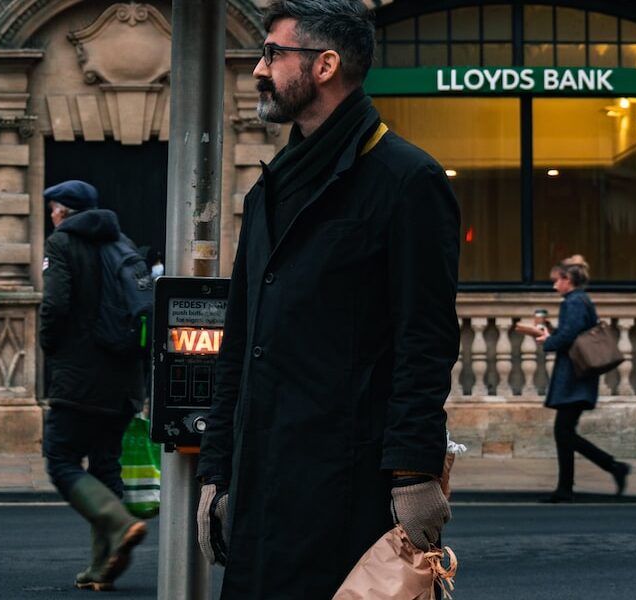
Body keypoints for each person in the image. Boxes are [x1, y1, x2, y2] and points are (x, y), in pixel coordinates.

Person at [195, 2, 461, 598]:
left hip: (347, 488)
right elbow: (238, 341)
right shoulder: (269, 189)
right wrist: (216, 472)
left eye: (272, 54)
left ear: (325, 65)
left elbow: (426, 340)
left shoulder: (406, 180)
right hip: (260, 481)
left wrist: (416, 474)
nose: (259, 70)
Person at [40, 180, 147, 591]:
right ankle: (102, 567)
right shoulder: (123, 243)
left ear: (65, 211)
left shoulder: (63, 244)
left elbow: (56, 304)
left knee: (61, 459)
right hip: (124, 380)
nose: (51, 215)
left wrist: (52, 348)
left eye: (54, 208)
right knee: (105, 466)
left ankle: (119, 525)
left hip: (80, 377)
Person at [535, 256, 631, 503]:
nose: (554, 286)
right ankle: (569, 486)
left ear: (568, 280)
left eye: (556, 281)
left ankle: (611, 467)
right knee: (564, 432)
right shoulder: (577, 301)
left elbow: (569, 336)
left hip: (575, 377)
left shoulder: (575, 301)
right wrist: (549, 331)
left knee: (563, 431)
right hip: (576, 376)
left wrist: (549, 341)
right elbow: (572, 333)